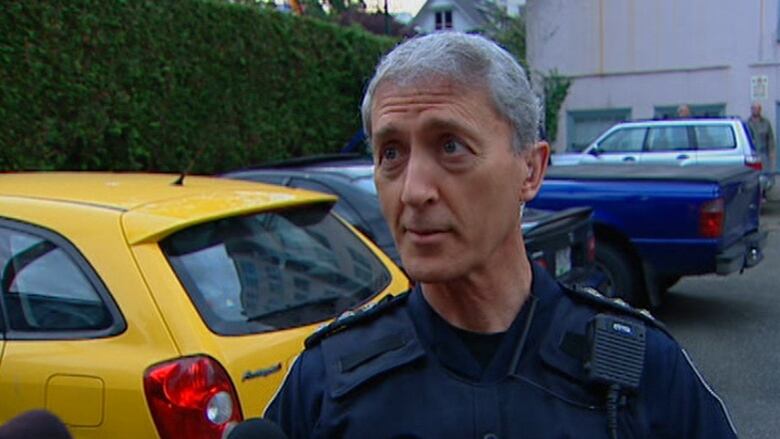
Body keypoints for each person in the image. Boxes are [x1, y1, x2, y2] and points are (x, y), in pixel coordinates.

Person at [264, 32, 737, 438]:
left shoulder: (638, 369)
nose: (413, 191)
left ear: (530, 170)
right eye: (391, 153)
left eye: (450, 146)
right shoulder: (326, 385)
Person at [747, 101, 776, 174]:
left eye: (757, 108)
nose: (755, 110)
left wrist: (771, 153)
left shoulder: (766, 122)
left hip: (764, 154)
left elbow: (770, 138)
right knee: (753, 175)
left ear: (760, 110)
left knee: (765, 174)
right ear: (751, 110)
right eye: (753, 108)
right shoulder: (747, 123)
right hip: (752, 155)